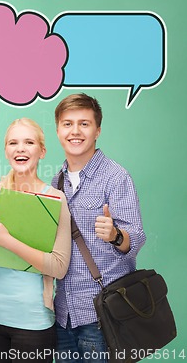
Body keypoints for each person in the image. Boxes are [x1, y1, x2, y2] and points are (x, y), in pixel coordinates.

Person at [0, 118, 71, 363]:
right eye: (13, 142)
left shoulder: (55, 199)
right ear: (6, 151)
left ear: (42, 151)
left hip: (34, 324)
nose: (20, 148)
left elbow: (59, 266)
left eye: (29, 142)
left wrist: (7, 241)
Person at [51, 93, 146, 363]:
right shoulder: (56, 181)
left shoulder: (116, 177)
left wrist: (116, 235)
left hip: (102, 316)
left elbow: (135, 238)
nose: (75, 131)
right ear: (58, 130)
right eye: (67, 124)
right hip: (64, 314)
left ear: (97, 131)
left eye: (84, 123)